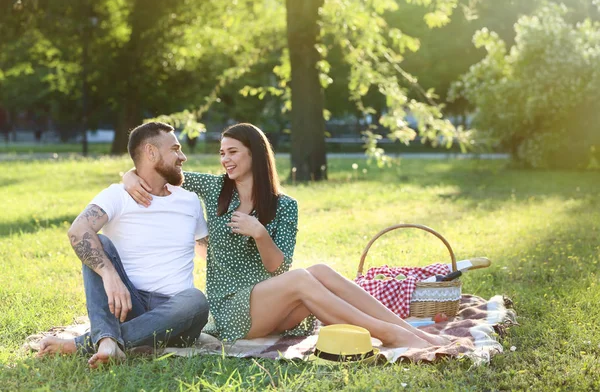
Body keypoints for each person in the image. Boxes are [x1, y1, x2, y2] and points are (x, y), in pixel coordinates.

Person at [123, 123, 449, 348]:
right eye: (222, 153)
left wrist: (261, 234)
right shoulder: (215, 187)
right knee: (301, 279)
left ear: (255, 153)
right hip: (230, 309)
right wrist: (128, 177)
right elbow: (160, 171)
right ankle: (389, 334)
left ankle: (407, 330)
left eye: (233, 152)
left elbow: (277, 268)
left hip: (271, 306)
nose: (225, 160)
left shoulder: (285, 206)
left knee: (318, 271)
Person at [38, 122, 210, 368]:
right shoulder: (117, 195)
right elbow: (78, 231)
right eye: (175, 149)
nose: (182, 156)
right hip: (125, 305)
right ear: (151, 152)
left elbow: (205, 250)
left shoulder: (190, 201)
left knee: (195, 299)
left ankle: (88, 343)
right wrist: (109, 274)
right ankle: (113, 340)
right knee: (98, 243)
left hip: (177, 316)